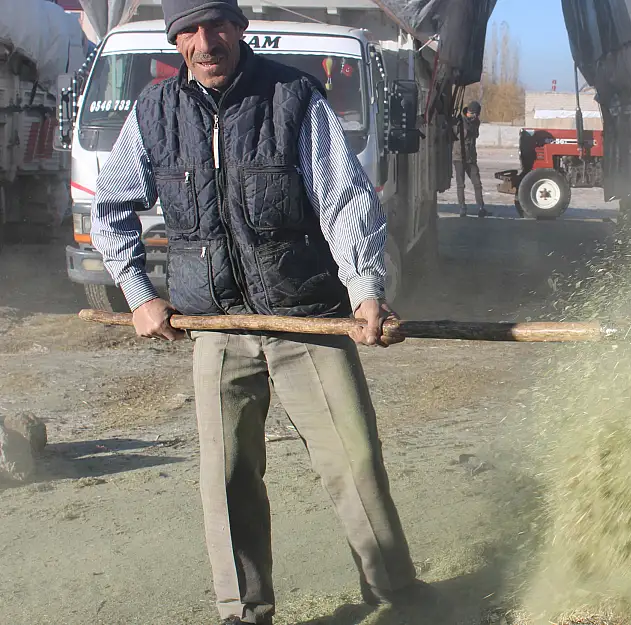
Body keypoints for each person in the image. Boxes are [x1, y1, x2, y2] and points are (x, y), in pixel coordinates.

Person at [88, 1, 427, 623]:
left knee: (354, 466)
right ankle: (243, 612)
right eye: (188, 30)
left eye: (215, 24)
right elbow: (109, 209)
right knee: (227, 481)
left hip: (309, 319)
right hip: (216, 325)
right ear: (175, 40)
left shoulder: (293, 96)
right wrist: (138, 294)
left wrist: (365, 289)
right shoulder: (154, 112)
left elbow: (344, 198)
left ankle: (395, 598)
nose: (204, 41)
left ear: (239, 28)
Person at [453, 100, 487, 217]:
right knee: (460, 184)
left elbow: (474, 137)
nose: (475, 116)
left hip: (471, 158)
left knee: (477, 184)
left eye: (476, 114)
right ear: (468, 112)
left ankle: (481, 207)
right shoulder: (459, 121)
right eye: (473, 113)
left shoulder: (475, 122)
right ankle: (462, 208)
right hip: (459, 157)